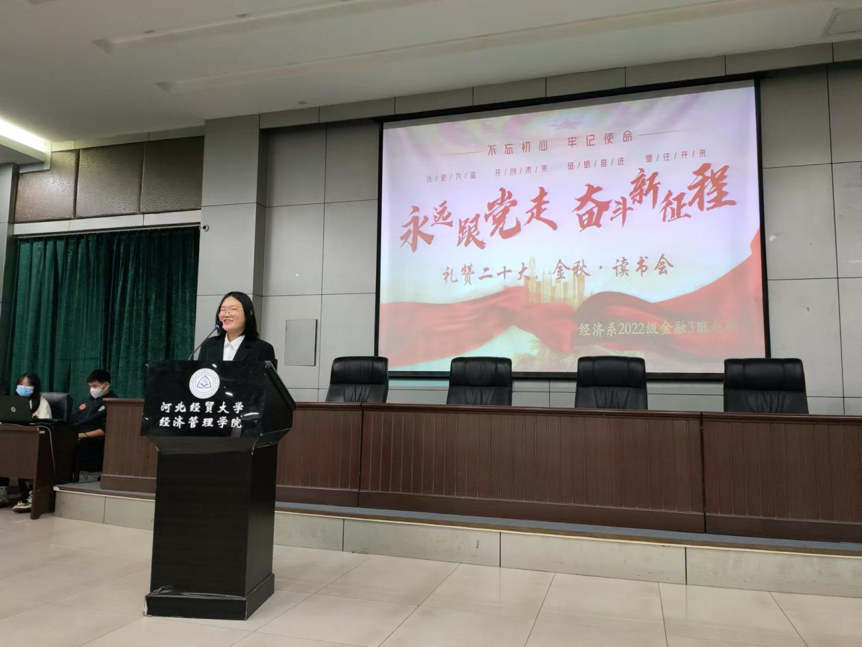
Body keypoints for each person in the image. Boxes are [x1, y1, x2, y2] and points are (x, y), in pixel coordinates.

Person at [0, 373, 53, 512]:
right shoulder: (10, 402)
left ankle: (29, 494)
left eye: (28, 384)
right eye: (21, 384)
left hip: (30, 443)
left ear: (35, 387)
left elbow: (45, 426)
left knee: (22, 456)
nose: (23, 387)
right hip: (9, 440)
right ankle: (2, 491)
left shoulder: (42, 403)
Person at [198, 291, 277, 366]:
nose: (226, 314)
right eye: (223, 310)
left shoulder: (262, 349)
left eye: (233, 309)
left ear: (248, 313)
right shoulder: (208, 345)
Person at [70, 369, 117, 482]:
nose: (92, 389)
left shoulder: (114, 403)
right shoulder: (86, 401)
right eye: (90, 386)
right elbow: (73, 417)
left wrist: (81, 435)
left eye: (95, 386)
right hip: (75, 435)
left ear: (105, 385)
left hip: (93, 442)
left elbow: (106, 429)